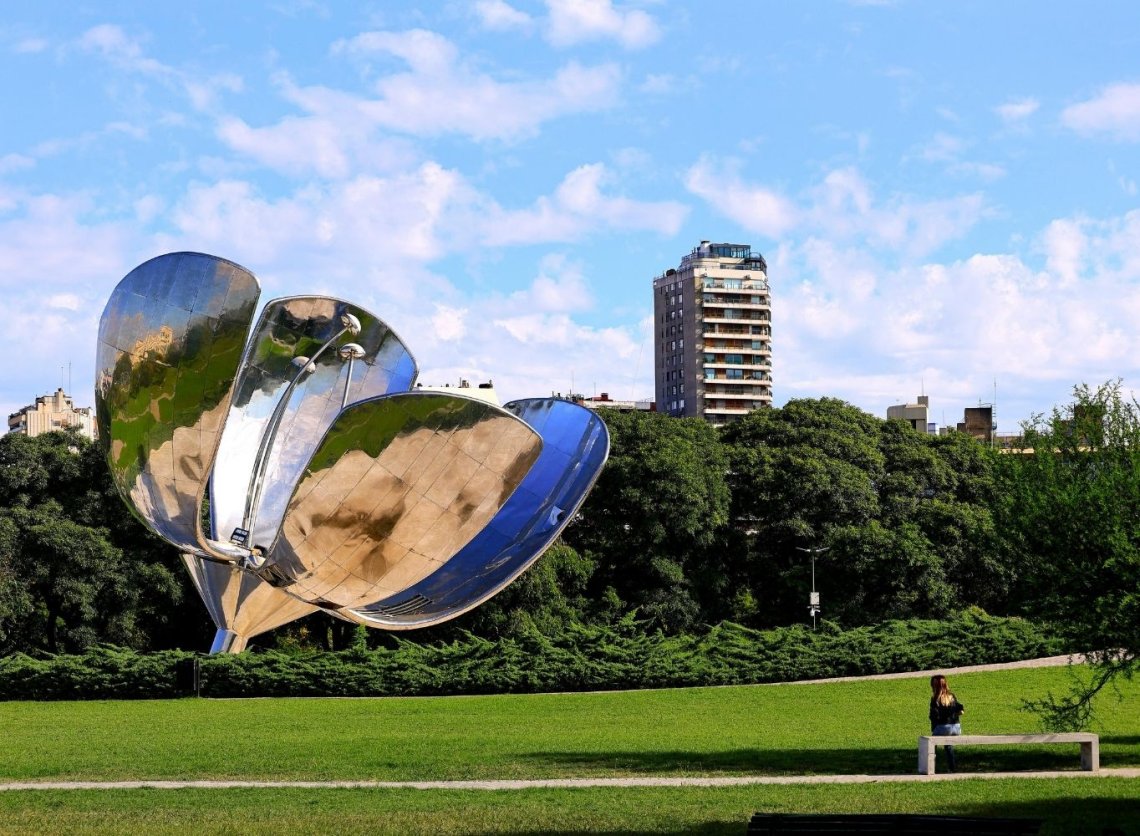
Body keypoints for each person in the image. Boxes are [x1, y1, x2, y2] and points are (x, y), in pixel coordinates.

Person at [929, 674, 965, 772]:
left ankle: (931, 766)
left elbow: (933, 716)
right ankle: (952, 768)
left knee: (931, 744)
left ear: (934, 686)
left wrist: (934, 728)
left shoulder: (935, 698)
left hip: (943, 727)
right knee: (948, 745)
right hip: (956, 728)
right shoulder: (951, 696)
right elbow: (961, 710)